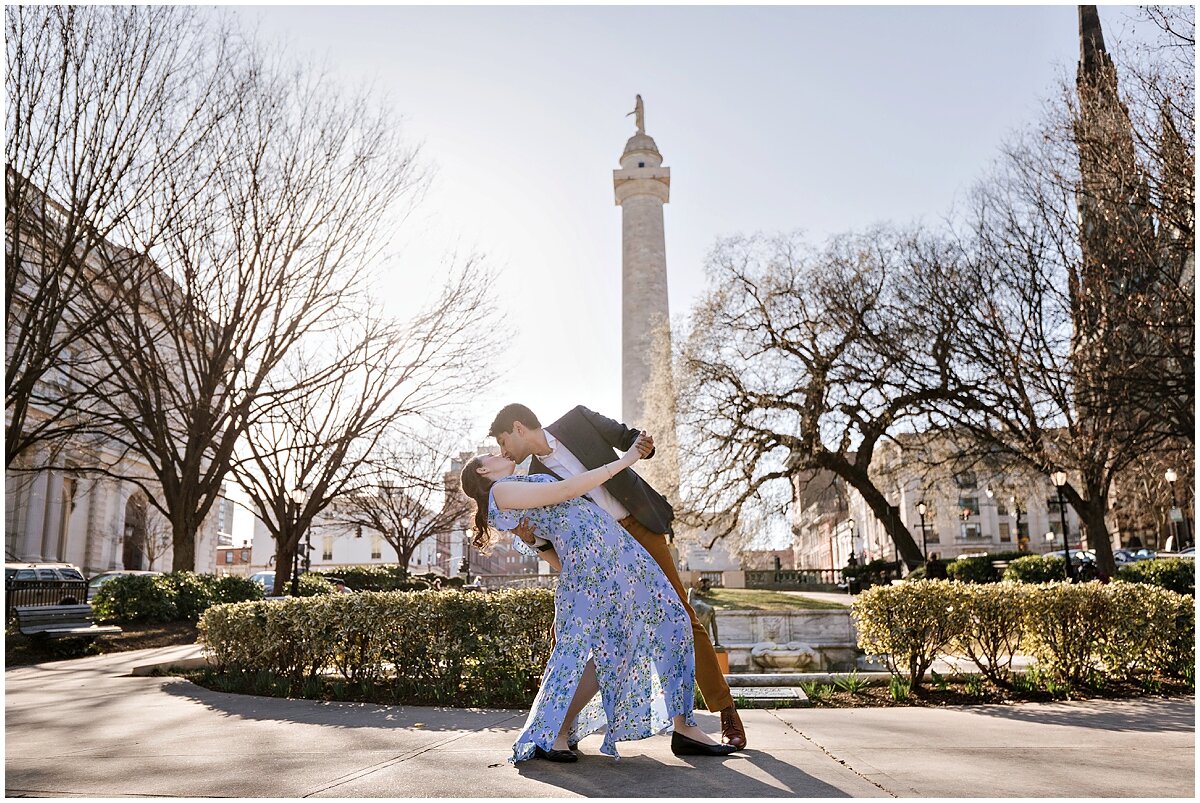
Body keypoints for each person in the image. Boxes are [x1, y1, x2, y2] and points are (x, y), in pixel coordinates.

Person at [460, 432, 735, 763]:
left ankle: (680, 726)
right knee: (599, 648)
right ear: (482, 472)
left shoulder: (516, 488)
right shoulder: (502, 491)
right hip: (597, 569)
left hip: (613, 558)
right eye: (492, 454)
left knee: (665, 622)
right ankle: (556, 733)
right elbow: (564, 490)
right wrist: (626, 460)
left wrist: (540, 540)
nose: (500, 453)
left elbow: (555, 545)